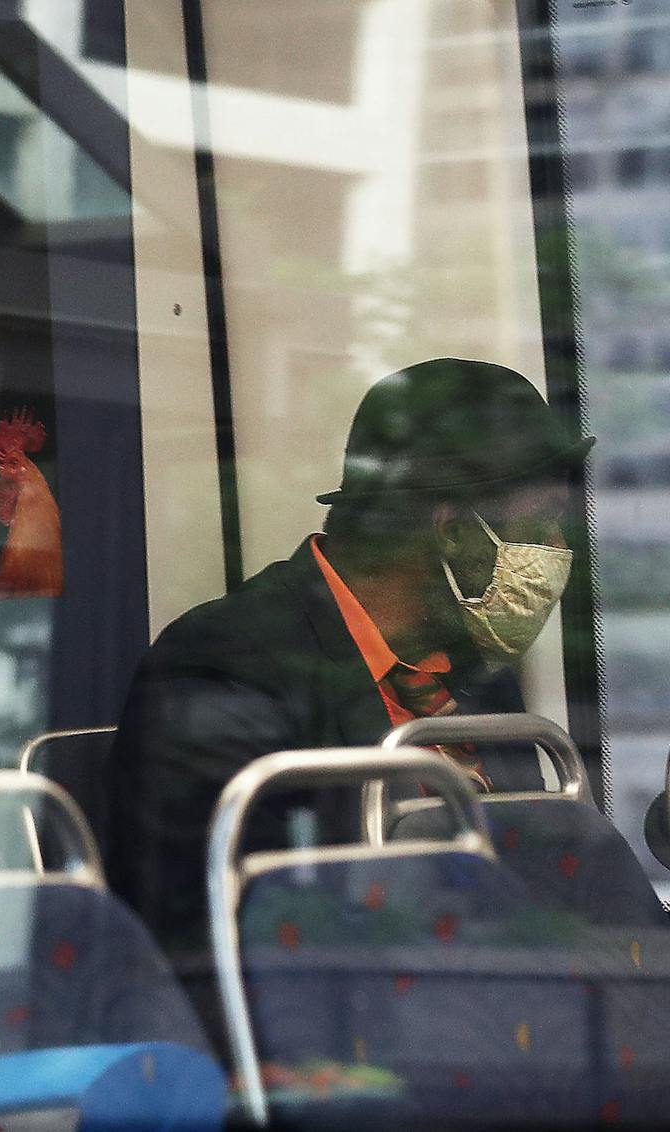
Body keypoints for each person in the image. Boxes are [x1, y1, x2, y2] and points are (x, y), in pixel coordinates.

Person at [106, 358, 593, 996]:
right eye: (538, 528)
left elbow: (540, 883)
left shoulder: (475, 678)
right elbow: (219, 948)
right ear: (451, 531)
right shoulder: (224, 670)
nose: (559, 550)